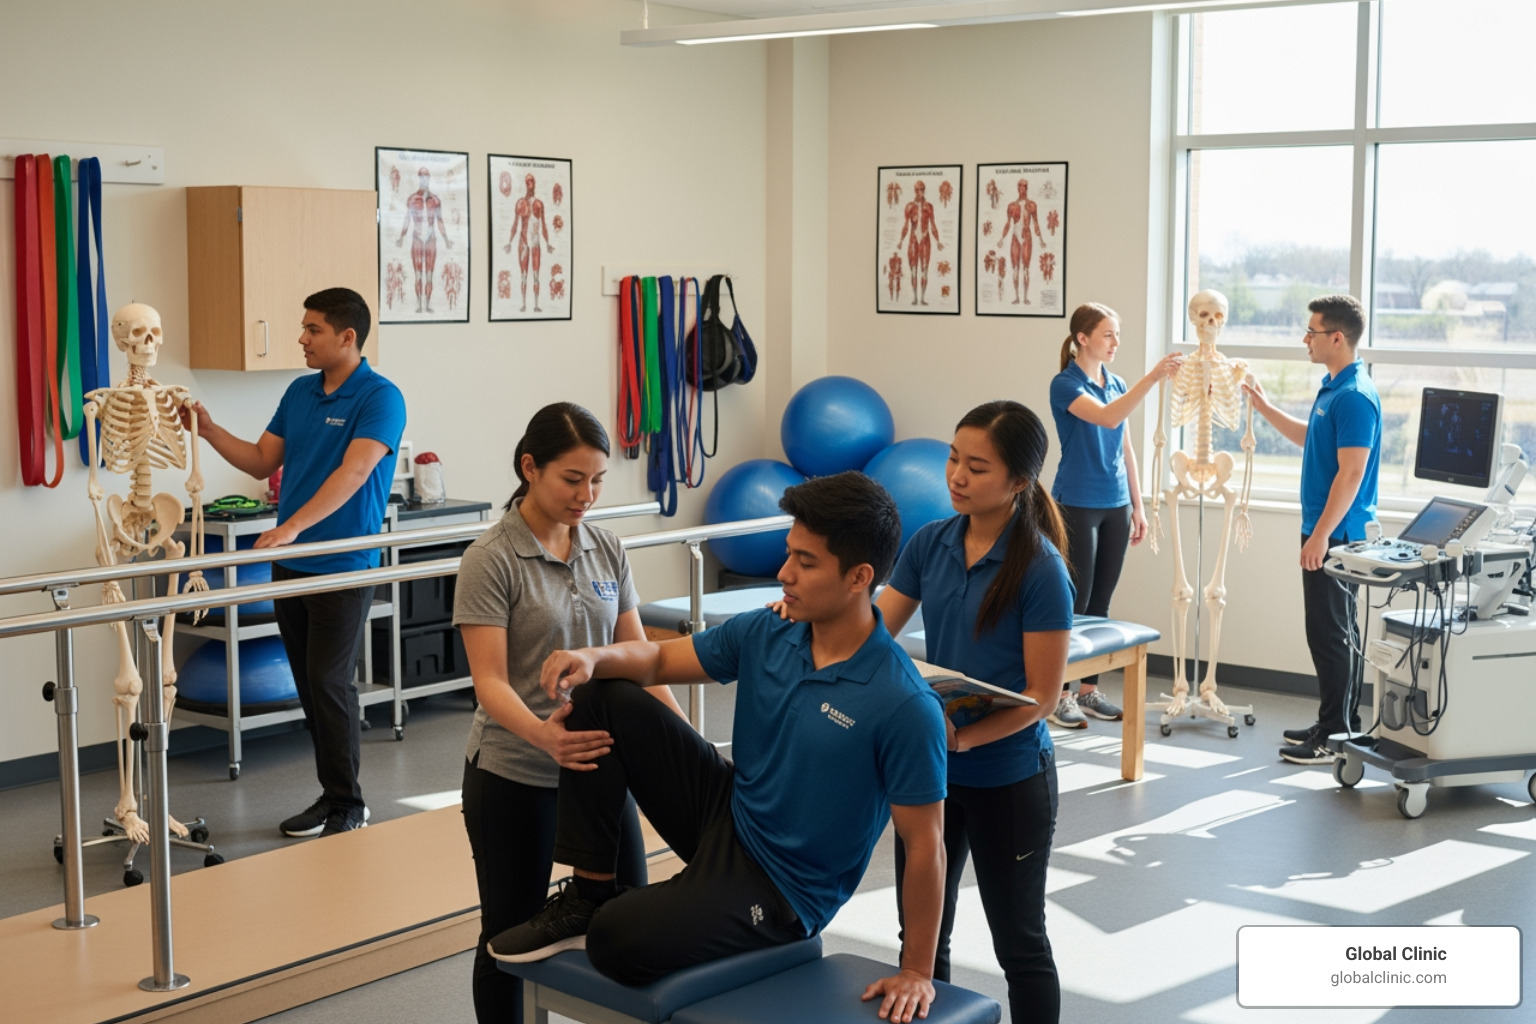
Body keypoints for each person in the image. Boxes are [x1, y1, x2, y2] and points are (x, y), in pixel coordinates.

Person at [490, 472, 949, 1024]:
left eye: (805, 562)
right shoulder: (769, 631)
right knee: (603, 694)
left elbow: (925, 845)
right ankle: (588, 894)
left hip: (782, 887)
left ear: (860, 577)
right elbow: (659, 660)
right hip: (729, 810)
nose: (784, 573)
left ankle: (672, 908)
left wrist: (916, 969)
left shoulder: (903, 703)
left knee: (616, 939)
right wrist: (592, 657)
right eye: (788, 554)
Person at [454, 402, 685, 1024]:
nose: (587, 495)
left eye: (598, 480)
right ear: (530, 468)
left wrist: (691, 747)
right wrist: (544, 737)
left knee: (629, 920)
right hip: (515, 772)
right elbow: (489, 682)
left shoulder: (605, 547)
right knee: (508, 934)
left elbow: (640, 660)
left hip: (601, 771)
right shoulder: (491, 557)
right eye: (572, 479)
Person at [876, 400, 1075, 1024]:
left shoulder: (1041, 570)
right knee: (921, 939)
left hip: (1009, 778)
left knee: (1019, 945)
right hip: (932, 774)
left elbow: (1043, 697)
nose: (957, 477)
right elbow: (874, 633)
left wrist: (962, 740)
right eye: (953, 459)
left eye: (978, 467)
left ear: (1018, 481)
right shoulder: (930, 542)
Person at [184, 287, 406, 836]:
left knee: (330, 684)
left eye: (313, 329)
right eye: (304, 328)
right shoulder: (300, 392)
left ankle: (350, 805)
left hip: (341, 564)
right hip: (292, 565)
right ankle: (332, 796)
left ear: (347, 337)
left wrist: (291, 528)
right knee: (311, 687)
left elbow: (354, 473)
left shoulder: (380, 397)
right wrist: (208, 430)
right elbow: (262, 461)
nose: (302, 338)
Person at [1244, 294, 1380, 765]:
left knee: (1331, 633)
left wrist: (1321, 535)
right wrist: (1263, 407)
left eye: (1312, 332)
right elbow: (1312, 437)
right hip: (1324, 528)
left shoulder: (1355, 396)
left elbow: (1352, 473)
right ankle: (1335, 722)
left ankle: (1336, 734)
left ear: (1336, 338)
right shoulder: (1333, 389)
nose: (1306, 339)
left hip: (1337, 533)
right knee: (1331, 630)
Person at [1047, 303, 1183, 728]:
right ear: (1082, 338)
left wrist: (1138, 506)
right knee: (1076, 600)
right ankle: (1060, 695)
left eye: (1117, 334)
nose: (1115, 343)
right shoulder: (1065, 384)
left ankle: (1088, 690)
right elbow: (1108, 418)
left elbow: (1126, 449)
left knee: (1101, 602)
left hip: (1116, 503)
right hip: (1077, 502)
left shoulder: (1117, 383)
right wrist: (1154, 376)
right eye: (1108, 334)